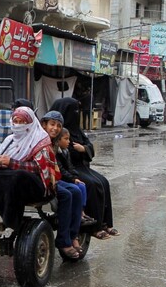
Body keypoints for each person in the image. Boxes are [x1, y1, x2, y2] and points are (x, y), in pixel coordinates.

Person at [0, 107, 57, 231]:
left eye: (23, 122)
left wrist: (12, 163)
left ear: (30, 123)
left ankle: (8, 221)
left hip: (38, 186)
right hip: (13, 177)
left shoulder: (40, 140)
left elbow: (39, 168)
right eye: (16, 121)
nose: (18, 125)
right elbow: (0, 159)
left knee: (18, 176)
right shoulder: (10, 140)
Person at [50, 97, 119, 240]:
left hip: (81, 166)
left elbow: (89, 147)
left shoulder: (76, 131)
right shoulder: (58, 133)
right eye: (73, 111)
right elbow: (64, 154)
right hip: (70, 168)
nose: (76, 113)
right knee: (92, 185)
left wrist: (83, 148)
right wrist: (80, 150)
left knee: (104, 182)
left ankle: (105, 223)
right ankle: (94, 227)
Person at [40, 111, 84, 258]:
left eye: (58, 126)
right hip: (41, 179)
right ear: (44, 124)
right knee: (67, 195)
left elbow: (56, 167)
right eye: (52, 124)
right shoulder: (39, 138)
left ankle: (73, 236)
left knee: (77, 191)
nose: (55, 128)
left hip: (52, 178)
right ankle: (63, 241)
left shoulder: (53, 142)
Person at [55, 126, 95, 225]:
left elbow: (70, 167)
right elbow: (61, 170)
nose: (69, 141)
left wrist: (75, 177)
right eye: (66, 139)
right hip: (62, 179)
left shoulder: (66, 151)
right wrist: (72, 179)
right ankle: (77, 215)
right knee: (75, 189)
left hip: (68, 177)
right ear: (58, 140)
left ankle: (82, 212)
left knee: (82, 186)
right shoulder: (56, 152)